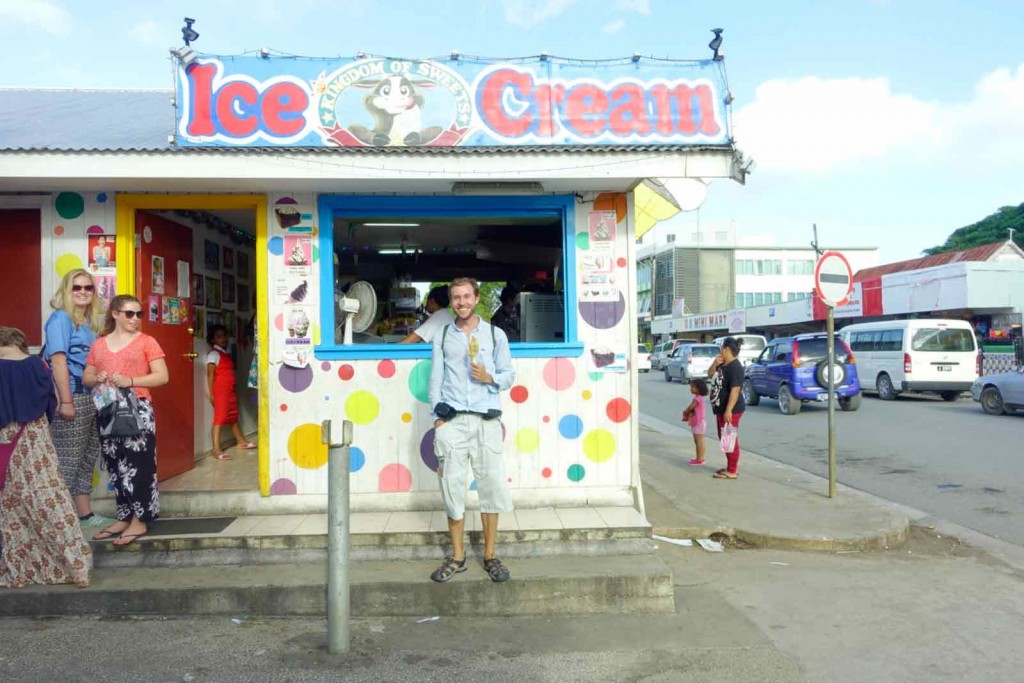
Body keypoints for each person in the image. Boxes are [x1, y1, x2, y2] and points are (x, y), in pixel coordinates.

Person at [428, 277, 515, 583]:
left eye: (466, 297)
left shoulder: (495, 334)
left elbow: (509, 375)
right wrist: (438, 418)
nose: (461, 302)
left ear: (477, 298)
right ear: (451, 301)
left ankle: (490, 556)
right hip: (452, 421)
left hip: (486, 420)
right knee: (452, 489)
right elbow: (435, 380)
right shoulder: (442, 336)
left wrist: (489, 376)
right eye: (456, 298)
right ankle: (457, 556)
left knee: (491, 487)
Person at [0, 326, 92, 588]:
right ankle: (75, 565)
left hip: (5, 445)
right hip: (37, 445)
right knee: (52, 501)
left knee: (12, 510)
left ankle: (22, 569)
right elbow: (48, 405)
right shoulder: (38, 366)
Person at [83, 294, 169, 546]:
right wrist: (97, 376)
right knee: (115, 463)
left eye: (138, 314)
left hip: (137, 408)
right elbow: (86, 376)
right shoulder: (99, 344)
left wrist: (131, 380)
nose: (135, 319)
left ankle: (140, 519)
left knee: (139, 464)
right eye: (130, 314)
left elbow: (162, 376)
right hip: (108, 407)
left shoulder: (147, 341)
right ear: (115, 314)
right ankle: (124, 515)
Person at [42, 268, 112, 528]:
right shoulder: (61, 319)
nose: (83, 292)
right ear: (66, 291)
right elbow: (58, 360)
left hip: (92, 396)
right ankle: (55, 521)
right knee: (67, 460)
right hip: (72, 396)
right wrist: (66, 401)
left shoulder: (90, 323)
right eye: (76, 287)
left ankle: (84, 515)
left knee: (86, 456)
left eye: (88, 287)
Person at [206, 324, 255, 460]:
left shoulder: (226, 353)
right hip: (221, 391)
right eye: (219, 337)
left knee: (233, 416)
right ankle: (216, 449)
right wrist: (212, 394)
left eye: (224, 336)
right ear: (213, 339)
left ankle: (241, 441)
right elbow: (210, 375)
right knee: (219, 419)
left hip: (230, 390)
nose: (223, 339)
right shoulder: (213, 354)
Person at [706, 337, 746, 479]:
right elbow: (709, 375)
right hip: (720, 408)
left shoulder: (736, 367)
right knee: (724, 437)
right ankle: (730, 466)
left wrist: (728, 409)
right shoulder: (722, 364)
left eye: (722, 348)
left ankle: (732, 470)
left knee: (729, 438)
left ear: (727, 349)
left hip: (731, 409)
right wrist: (714, 363)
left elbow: (735, 390)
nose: (721, 351)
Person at [682, 378, 708, 466]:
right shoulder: (698, 398)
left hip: (698, 423)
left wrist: (685, 412)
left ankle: (700, 459)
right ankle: (700, 458)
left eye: (693, 387)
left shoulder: (697, 399)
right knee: (698, 441)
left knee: (698, 441)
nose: (691, 389)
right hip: (698, 422)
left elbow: (690, 407)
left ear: (699, 388)